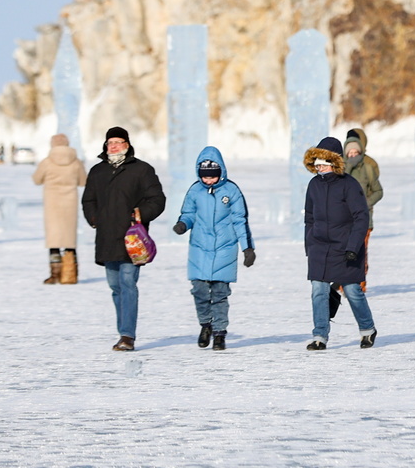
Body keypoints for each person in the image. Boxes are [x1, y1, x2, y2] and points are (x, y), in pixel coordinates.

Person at [81, 126, 166, 351]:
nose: (114, 146)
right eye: (110, 142)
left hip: (132, 239)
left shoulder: (142, 170)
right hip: (107, 237)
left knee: (128, 283)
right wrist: (94, 218)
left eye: (118, 142)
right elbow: (88, 200)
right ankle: (123, 332)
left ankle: (127, 335)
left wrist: (141, 213)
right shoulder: (97, 171)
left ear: (127, 145)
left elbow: (157, 199)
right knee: (115, 286)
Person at [173, 146, 254, 351]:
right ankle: (205, 325)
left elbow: (240, 221)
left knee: (220, 293)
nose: (208, 180)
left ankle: (219, 333)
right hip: (199, 248)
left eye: (212, 177)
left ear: (220, 173)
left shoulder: (231, 191)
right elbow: (188, 213)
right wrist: (183, 224)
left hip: (224, 248)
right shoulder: (195, 190)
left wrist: (247, 248)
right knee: (199, 290)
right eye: (205, 177)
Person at [304, 136, 377, 350]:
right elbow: (309, 217)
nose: (320, 166)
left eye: (324, 162)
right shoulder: (314, 185)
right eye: (317, 162)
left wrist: (354, 247)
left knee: (353, 290)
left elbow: (361, 216)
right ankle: (320, 336)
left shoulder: (349, 185)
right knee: (318, 290)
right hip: (319, 247)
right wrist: (309, 243)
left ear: (334, 162)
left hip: (346, 248)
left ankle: (367, 329)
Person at [327, 127, 384, 317]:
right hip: (343, 220)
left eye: (355, 151)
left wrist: (364, 203)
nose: (352, 154)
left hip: (363, 219)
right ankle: (343, 283)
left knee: (360, 252)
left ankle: (360, 285)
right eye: (348, 151)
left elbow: (377, 190)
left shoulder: (369, 165)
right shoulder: (340, 167)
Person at [31, 132, 87, 284]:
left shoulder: (47, 162)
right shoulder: (76, 162)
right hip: (70, 202)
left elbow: (36, 180)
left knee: (54, 239)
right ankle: (70, 274)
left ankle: (55, 274)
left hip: (52, 203)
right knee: (69, 239)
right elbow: (83, 181)